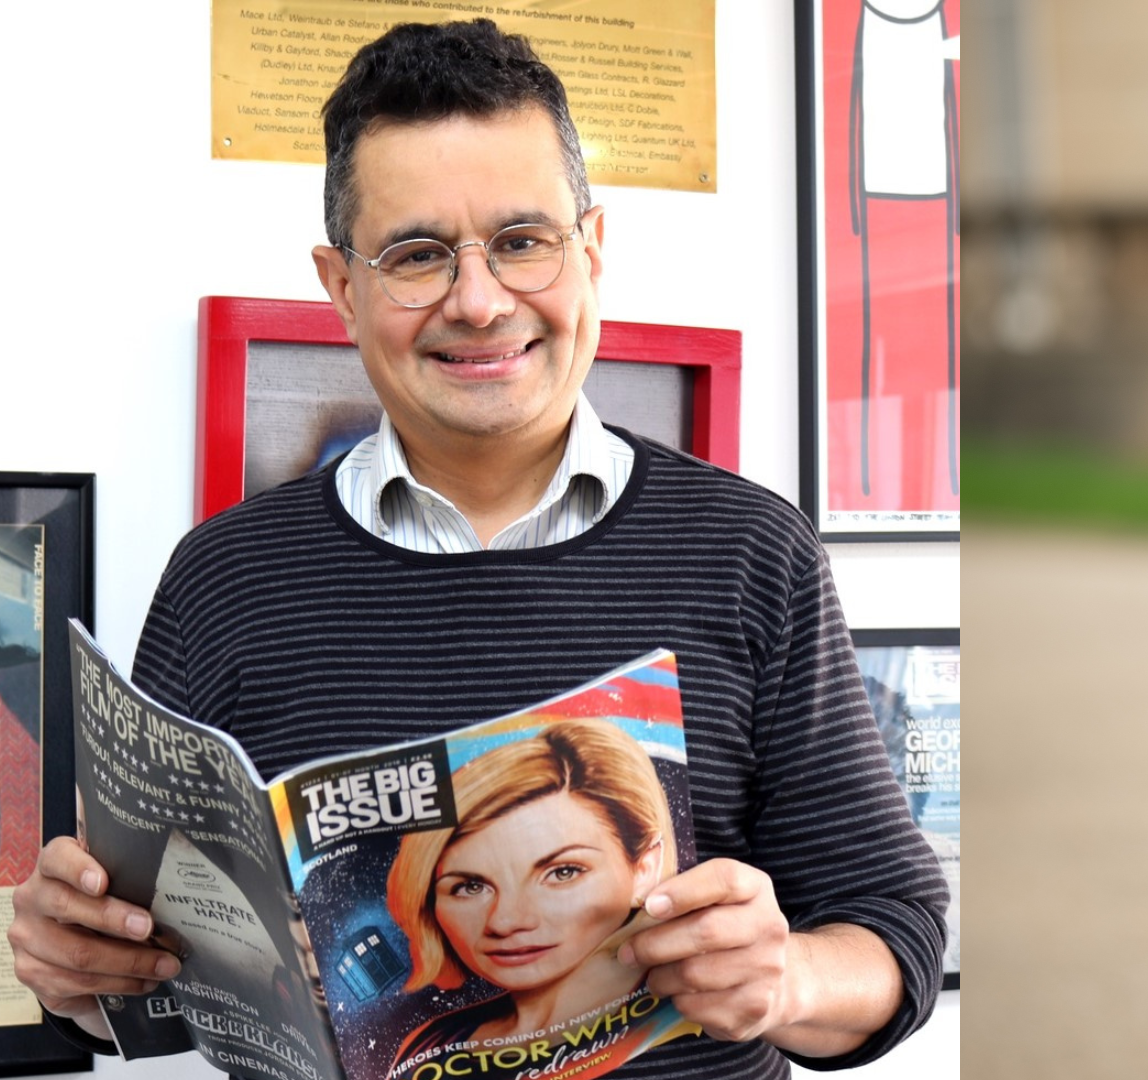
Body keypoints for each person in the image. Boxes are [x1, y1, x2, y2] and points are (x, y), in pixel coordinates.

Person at [7, 20, 946, 1079]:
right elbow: (159, 988)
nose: (482, 299)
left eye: (522, 240)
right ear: (341, 287)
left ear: (590, 249)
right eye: (416, 255)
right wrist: (79, 973)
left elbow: (897, 932)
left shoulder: (749, 550)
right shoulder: (226, 578)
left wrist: (790, 978)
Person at [386, 720, 689, 1059]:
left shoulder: (691, 996)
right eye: (470, 886)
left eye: (562, 872)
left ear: (644, 869)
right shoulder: (433, 1042)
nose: (504, 921)